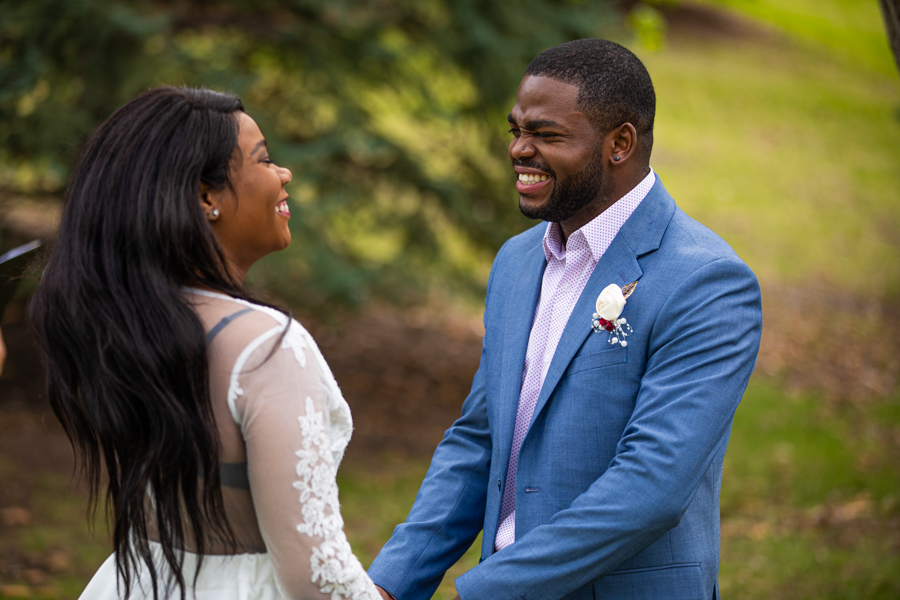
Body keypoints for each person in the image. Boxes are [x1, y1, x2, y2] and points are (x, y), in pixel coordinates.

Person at [368, 39, 763, 600]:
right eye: (516, 131)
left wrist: (485, 590)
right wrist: (389, 584)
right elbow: (481, 441)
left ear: (619, 143)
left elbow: (652, 486)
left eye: (546, 135)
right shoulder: (516, 262)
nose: (519, 150)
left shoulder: (705, 281)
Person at [29, 87, 382, 600]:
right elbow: (316, 577)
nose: (284, 174)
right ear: (204, 197)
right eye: (264, 160)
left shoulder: (124, 326)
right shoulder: (266, 348)